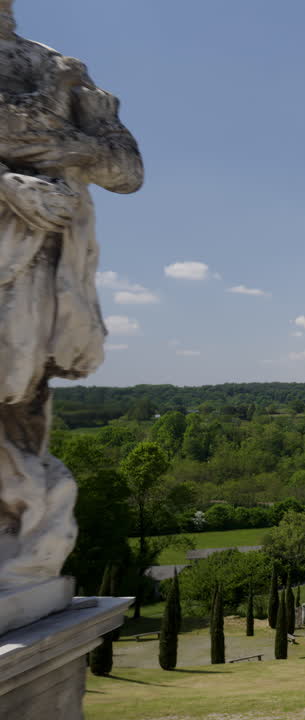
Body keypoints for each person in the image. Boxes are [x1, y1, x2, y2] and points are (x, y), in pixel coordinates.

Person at [0, 0, 142, 588]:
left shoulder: (53, 63)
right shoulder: (59, 75)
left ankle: (26, 525)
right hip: (24, 227)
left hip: (40, 257)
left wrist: (75, 146)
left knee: (19, 392)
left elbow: (127, 170)